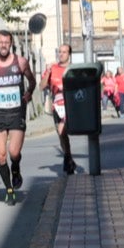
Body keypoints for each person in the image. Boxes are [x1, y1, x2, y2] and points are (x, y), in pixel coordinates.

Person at [0, 30, 35, 202]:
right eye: (1, 42)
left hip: (16, 113)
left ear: (11, 43)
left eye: (7, 42)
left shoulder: (20, 62)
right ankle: (9, 189)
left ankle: (16, 168)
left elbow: (32, 81)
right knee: (0, 155)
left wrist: (28, 93)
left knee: (13, 152)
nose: (4, 45)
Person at [40, 43, 78, 174]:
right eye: (60, 52)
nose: (61, 54)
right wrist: (48, 72)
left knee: (63, 131)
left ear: (69, 54)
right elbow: (41, 86)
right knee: (62, 135)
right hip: (57, 105)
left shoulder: (74, 69)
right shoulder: (53, 68)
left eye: (64, 52)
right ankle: (69, 159)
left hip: (71, 104)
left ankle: (67, 159)